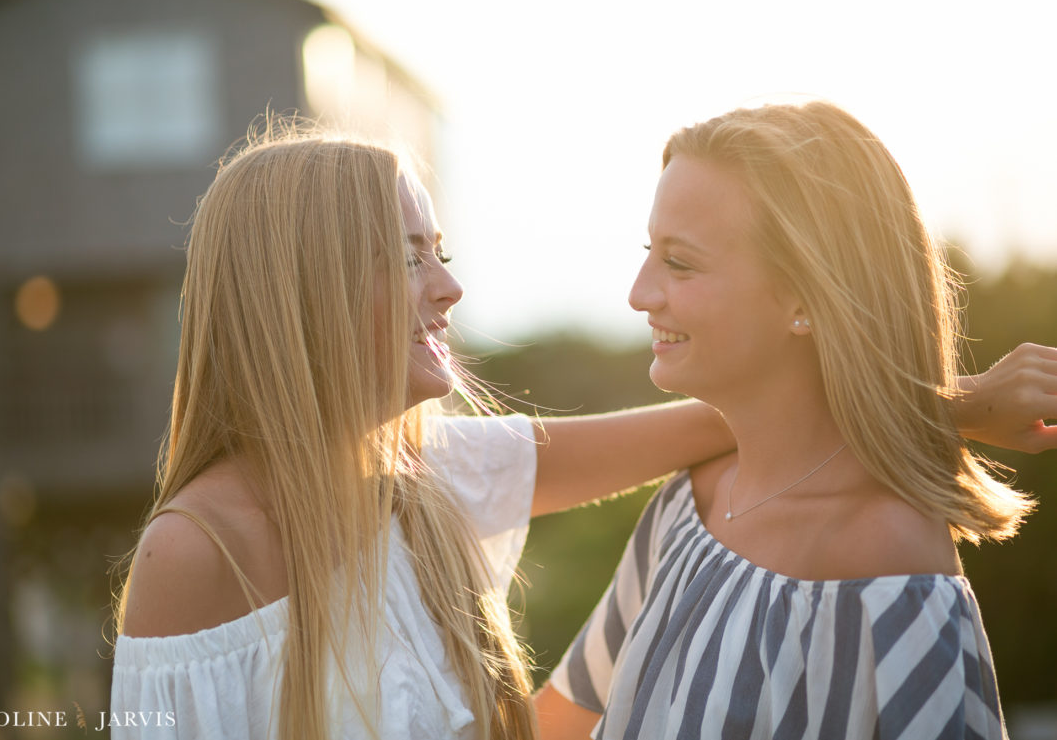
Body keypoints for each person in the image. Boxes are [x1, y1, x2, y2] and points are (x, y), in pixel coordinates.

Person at [110, 119, 1051, 740]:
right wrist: (952, 400)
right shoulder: (194, 560)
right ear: (299, 290)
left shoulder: (421, 479)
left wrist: (942, 401)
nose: (450, 287)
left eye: (440, 252)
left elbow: (725, 423)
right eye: (406, 258)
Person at [536, 101, 1057, 739]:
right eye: (651, 251)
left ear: (806, 297)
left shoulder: (892, 559)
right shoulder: (685, 507)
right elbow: (554, 726)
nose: (639, 293)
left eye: (680, 261)